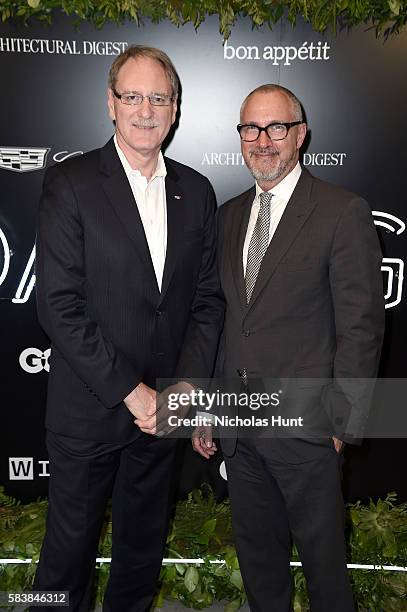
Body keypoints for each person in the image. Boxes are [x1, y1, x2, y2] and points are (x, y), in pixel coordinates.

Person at [33, 45, 224, 612]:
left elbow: (207, 302)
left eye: (159, 97)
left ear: (175, 108)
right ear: (110, 105)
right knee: (64, 560)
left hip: (163, 413)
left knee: (141, 555)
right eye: (133, 96)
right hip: (90, 408)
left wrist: (186, 386)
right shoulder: (70, 183)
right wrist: (130, 391)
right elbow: (58, 304)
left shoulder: (197, 192)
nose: (146, 109)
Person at [193, 84, 384, 611]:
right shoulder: (230, 216)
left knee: (326, 573)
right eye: (250, 129)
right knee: (260, 568)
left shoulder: (341, 211)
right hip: (241, 431)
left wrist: (341, 426)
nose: (262, 141)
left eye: (276, 128)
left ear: (300, 135)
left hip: (307, 434)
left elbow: (361, 328)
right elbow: (227, 320)